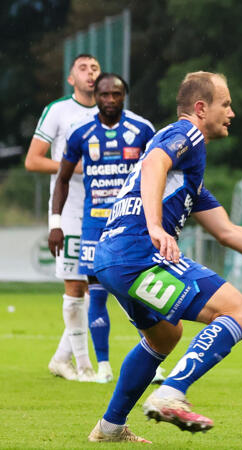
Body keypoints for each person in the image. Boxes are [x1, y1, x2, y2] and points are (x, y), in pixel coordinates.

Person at [86, 71, 242, 443]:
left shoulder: (190, 175)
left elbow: (228, 231)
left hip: (112, 259)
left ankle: (110, 427)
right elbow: (154, 164)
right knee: (241, 312)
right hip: (137, 252)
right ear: (201, 108)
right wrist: (155, 226)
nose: (232, 113)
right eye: (226, 104)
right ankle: (170, 394)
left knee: (164, 336)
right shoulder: (187, 133)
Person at [48, 73, 158, 383]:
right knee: (95, 294)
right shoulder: (80, 132)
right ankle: (103, 367)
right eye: (105, 94)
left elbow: (158, 174)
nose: (110, 100)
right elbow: (63, 179)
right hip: (94, 225)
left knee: (138, 290)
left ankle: (154, 357)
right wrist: (55, 223)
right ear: (95, 96)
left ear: (125, 96)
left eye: (117, 94)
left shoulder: (142, 130)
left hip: (131, 221)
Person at [25, 53, 101, 382]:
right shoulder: (59, 111)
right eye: (82, 68)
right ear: (72, 79)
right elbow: (33, 160)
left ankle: (61, 358)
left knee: (95, 285)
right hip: (67, 206)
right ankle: (83, 366)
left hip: (100, 207)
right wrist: (74, 167)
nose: (90, 73)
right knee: (75, 282)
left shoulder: (108, 114)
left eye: (95, 68)